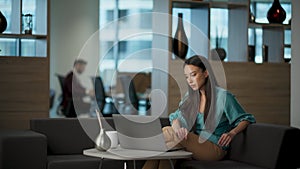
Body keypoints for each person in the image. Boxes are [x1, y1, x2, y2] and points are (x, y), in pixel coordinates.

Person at [142, 55, 256, 169]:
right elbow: (176, 118)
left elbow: (246, 119)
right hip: (195, 144)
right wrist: (177, 129)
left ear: (206, 73)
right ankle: (147, 145)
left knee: (168, 132)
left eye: (193, 75)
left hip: (214, 148)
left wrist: (232, 133)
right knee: (163, 157)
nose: (189, 81)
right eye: (186, 77)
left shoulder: (223, 97)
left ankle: (142, 144)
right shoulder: (190, 97)